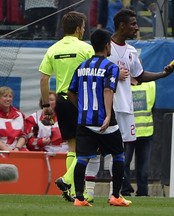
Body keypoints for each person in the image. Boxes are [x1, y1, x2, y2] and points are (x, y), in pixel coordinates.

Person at [83, 8, 174, 200]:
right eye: (133, 24)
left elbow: (139, 75)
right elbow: (97, 74)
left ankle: (114, 193)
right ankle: (89, 191)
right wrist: (116, 74)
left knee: (119, 154)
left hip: (125, 107)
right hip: (106, 107)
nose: (136, 27)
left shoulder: (132, 51)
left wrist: (163, 74)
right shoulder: (105, 48)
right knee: (98, 151)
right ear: (122, 26)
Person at [68, 28, 130, 207]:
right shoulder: (111, 67)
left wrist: (81, 108)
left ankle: (79, 198)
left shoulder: (82, 66)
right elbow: (108, 90)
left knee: (82, 159)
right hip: (106, 122)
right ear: (106, 45)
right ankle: (116, 196)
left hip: (85, 121)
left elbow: (70, 92)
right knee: (118, 155)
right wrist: (108, 115)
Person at [39, 11, 94, 202]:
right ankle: (68, 180)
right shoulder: (86, 49)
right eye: (84, 27)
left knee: (72, 147)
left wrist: (47, 105)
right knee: (89, 145)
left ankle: (76, 192)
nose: (84, 30)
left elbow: (44, 79)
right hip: (80, 100)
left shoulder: (53, 49)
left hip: (61, 101)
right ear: (78, 28)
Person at [121, 78, 156, 196]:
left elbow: (152, 108)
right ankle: (125, 190)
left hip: (145, 132)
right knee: (123, 163)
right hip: (127, 132)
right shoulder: (122, 85)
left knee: (143, 167)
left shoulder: (150, 84)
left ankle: (143, 192)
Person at [0, 86, 28, 151]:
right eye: (5, 96)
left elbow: (23, 135)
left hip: (16, 149)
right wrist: (7, 150)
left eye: (10, 96)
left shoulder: (19, 115)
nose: (8, 99)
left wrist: (17, 148)